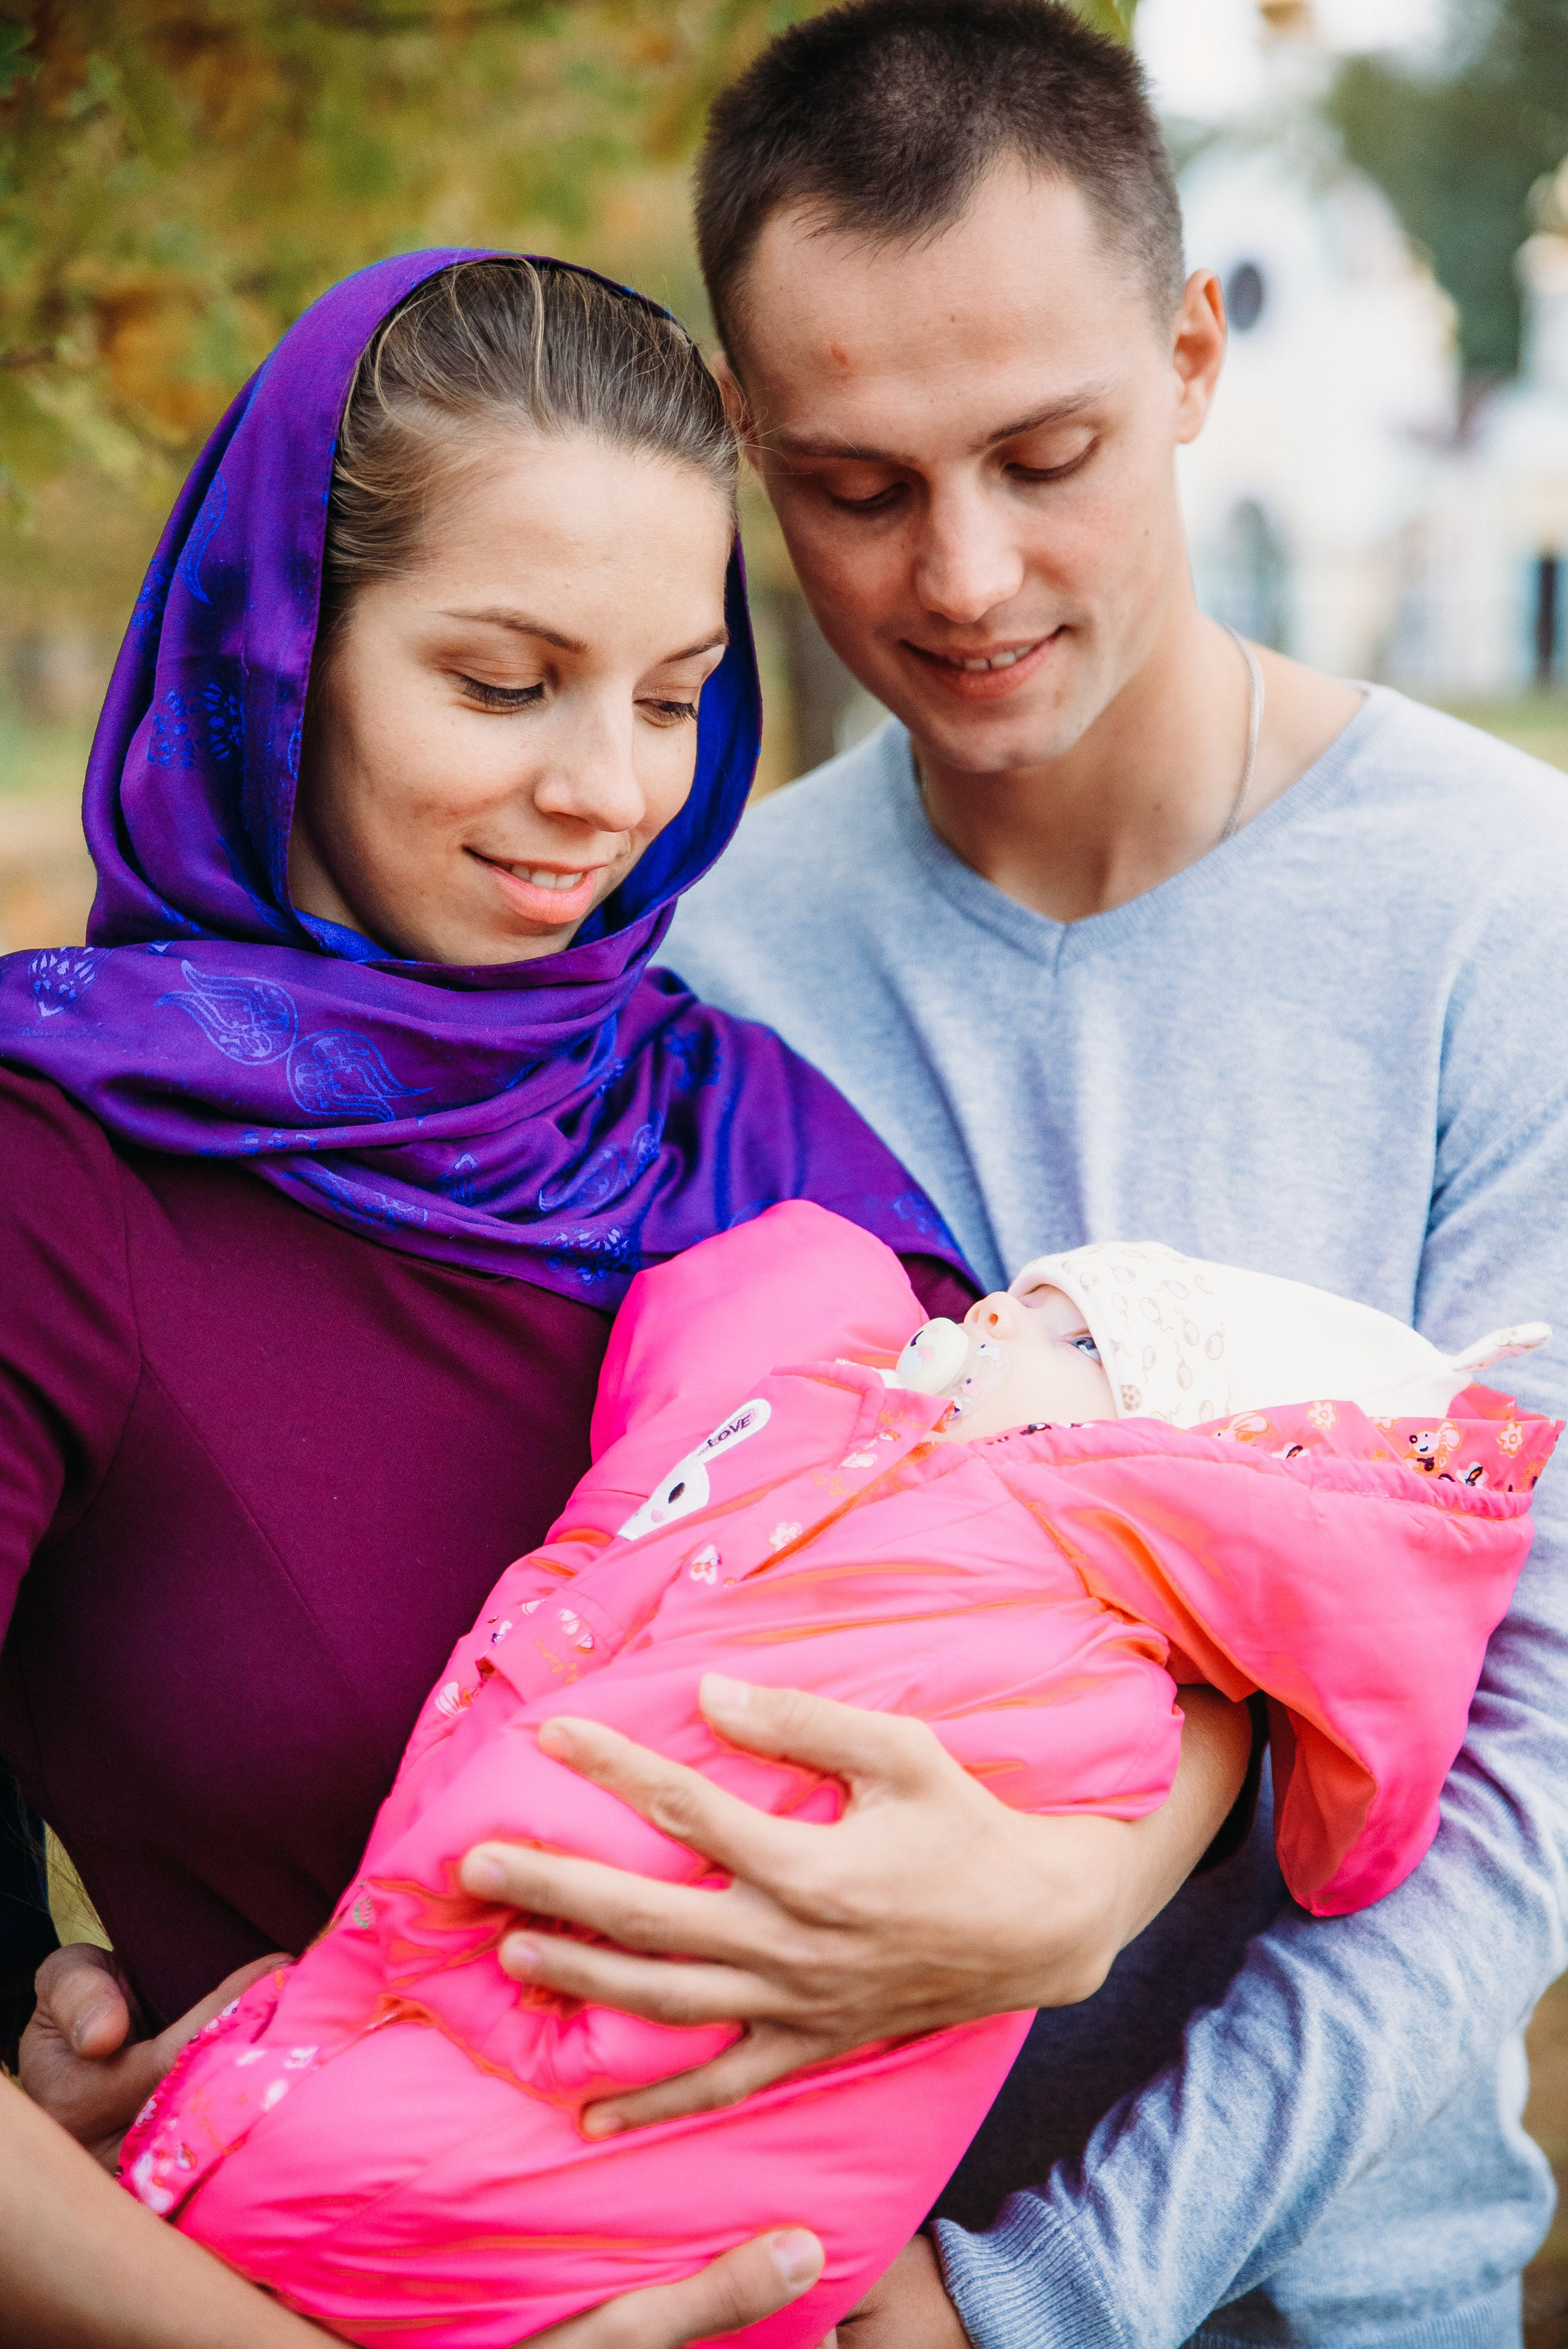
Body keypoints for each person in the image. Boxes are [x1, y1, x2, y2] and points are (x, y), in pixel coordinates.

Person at [433, 5, 1567, 2346]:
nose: (964, 576)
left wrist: (1038, 2290)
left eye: (1045, 452)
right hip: (753, 2258)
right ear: (746, 443)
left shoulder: (1505, 915)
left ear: (1186, 356)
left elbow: (1513, 1795)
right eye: (855, 487)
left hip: (1317, 2298)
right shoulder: (706, 955)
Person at [0, 244, 1245, 2341]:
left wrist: (1083, 1892)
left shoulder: (734, 1131)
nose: (609, 790)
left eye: (674, 695)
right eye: (505, 683)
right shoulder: (61, 1171)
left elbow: (1129, 1557)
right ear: (278, 654)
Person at [119, 1207, 1556, 2347]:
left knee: (391, 2184)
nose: (986, 1315)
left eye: (1057, 1329)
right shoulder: (730, 982)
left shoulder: (1038, 1623)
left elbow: (1505, 1822)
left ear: (1143, 1443)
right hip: (749, 2225)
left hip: (1176, 2288)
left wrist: (1050, 2292)